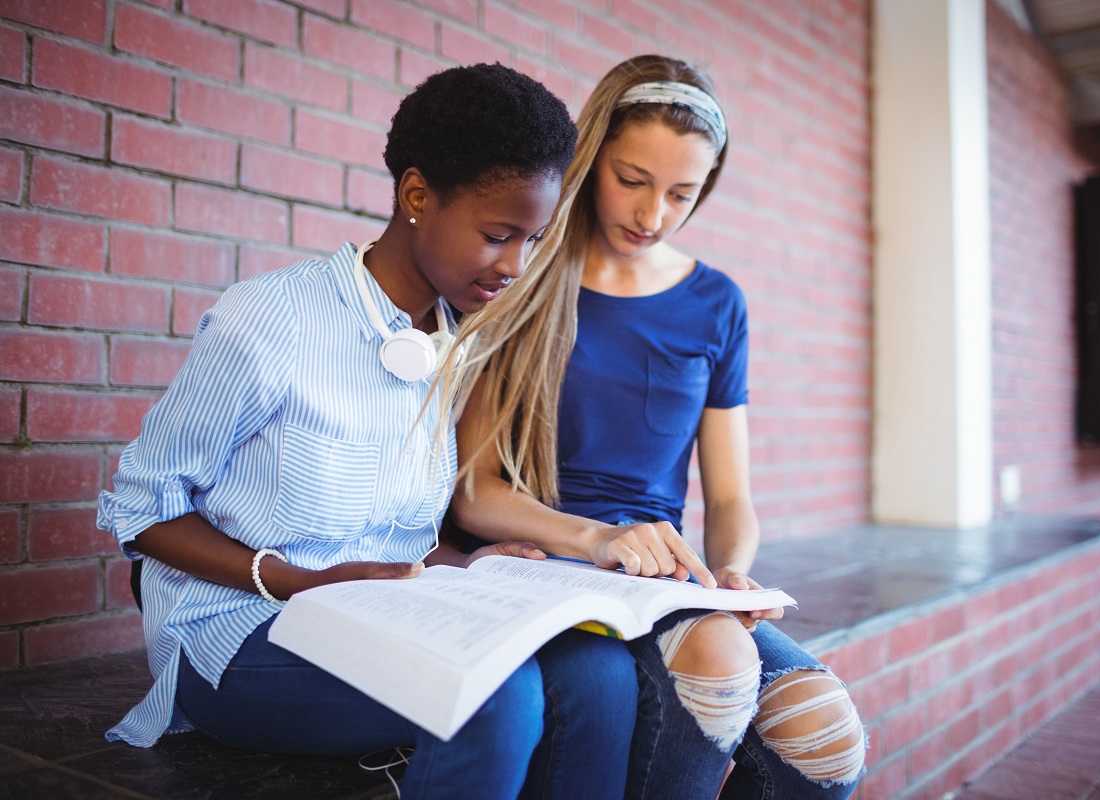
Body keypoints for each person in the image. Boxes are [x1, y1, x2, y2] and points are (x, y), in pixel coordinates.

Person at [97, 63, 637, 800]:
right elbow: (143, 509)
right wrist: (300, 581)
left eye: (533, 239)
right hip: (239, 631)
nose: (515, 265)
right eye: (497, 233)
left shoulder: (452, 340)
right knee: (487, 695)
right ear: (417, 195)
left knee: (599, 670)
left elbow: (384, 542)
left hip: (378, 611)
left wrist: (471, 564)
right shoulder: (272, 320)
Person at [449, 55, 866, 800]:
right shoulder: (526, 277)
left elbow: (730, 496)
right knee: (715, 666)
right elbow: (475, 492)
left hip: (659, 576)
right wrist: (597, 538)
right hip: (546, 561)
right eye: (631, 181)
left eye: (682, 193)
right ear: (591, 158)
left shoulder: (716, 302)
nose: (651, 216)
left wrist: (733, 570)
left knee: (825, 744)